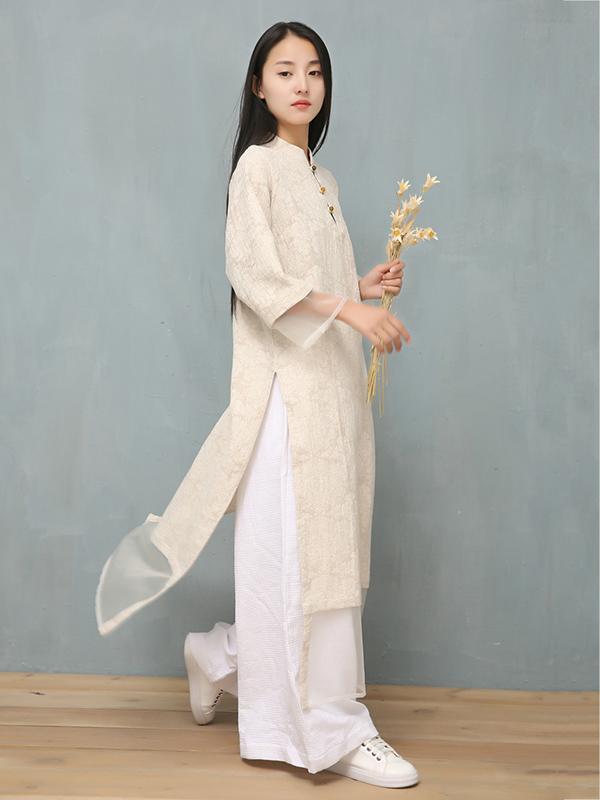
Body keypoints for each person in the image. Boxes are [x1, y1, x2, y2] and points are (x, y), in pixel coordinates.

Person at [94, 19, 419, 790]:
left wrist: (361, 286)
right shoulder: (258, 168)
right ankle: (331, 728)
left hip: (331, 394)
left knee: (317, 558)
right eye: (284, 70)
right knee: (303, 558)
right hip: (286, 401)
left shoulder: (321, 179)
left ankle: (218, 657)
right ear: (258, 85)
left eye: (314, 71)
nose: (302, 84)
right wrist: (351, 311)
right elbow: (257, 278)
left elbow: (312, 279)